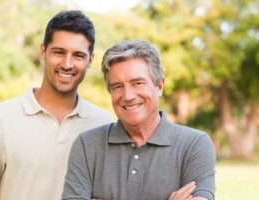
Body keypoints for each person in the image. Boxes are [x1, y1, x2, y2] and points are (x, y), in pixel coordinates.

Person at [0, 10, 114, 200]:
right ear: (43, 52)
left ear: (90, 60)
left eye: (78, 56)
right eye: (59, 52)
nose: (67, 64)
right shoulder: (0, 119)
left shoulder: (104, 125)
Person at [62, 39, 216, 200]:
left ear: (159, 86)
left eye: (138, 83)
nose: (128, 96)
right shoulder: (87, 145)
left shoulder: (195, 145)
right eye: (117, 86)